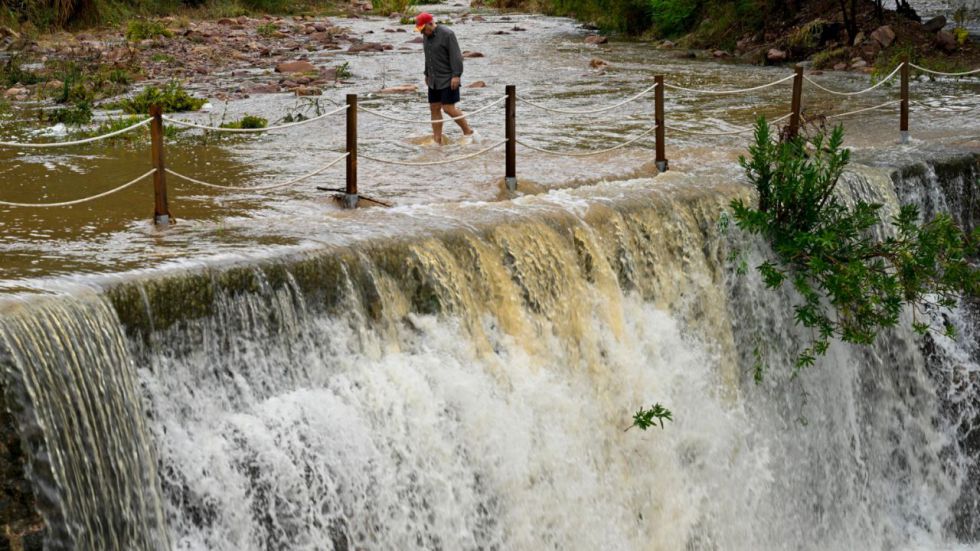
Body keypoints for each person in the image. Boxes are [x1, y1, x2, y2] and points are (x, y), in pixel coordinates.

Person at [416, 12, 475, 145]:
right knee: (434, 108)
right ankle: (437, 140)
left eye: (423, 29)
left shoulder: (448, 34)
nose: (422, 33)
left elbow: (457, 57)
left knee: (448, 108)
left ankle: (468, 131)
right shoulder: (426, 36)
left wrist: (456, 75)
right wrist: (426, 74)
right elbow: (428, 57)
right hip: (433, 80)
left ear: (430, 24)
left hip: (448, 78)